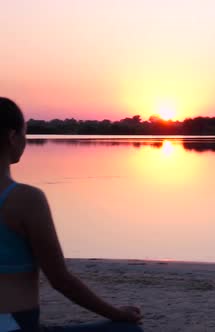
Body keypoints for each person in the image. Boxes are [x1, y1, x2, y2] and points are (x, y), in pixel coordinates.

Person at [0, 97, 143, 332]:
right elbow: (60, 280)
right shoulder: (25, 199)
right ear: (11, 136)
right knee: (127, 330)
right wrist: (118, 314)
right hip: (15, 324)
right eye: (25, 133)